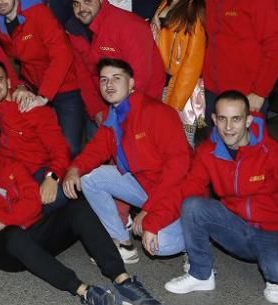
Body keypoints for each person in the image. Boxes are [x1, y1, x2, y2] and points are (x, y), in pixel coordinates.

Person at [0, 121, 165, 305]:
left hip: (32, 232)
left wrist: (0, 223)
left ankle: (122, 279)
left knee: (77, 208)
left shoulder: (12, 167)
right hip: (5, 249)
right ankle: (84, 291)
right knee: (13, 235)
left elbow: (33, 202)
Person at [164, 91, 278, 304]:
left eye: (236, 119)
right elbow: (188, 189)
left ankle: (274, 277)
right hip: (235, 227)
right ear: (214, 120)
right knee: (192, 205)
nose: (228, 127)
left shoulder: (274, 153)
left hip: (274, 232)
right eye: (222, 119)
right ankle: (201, 274)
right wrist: (154, 219)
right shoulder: (207, 152)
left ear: (248, 120)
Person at [63, 59, 192, 264]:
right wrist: (74, 169)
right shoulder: (113, 116)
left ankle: (197, 236)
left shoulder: (157, 113)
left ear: (131, 83)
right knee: (90, 178)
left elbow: (178, 169)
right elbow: (95, 150)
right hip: (145, 186)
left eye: (116, 78)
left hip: (177, 193)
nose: (109, 84)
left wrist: (149, 209)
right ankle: (123, 244)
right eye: (104, 80)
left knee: (160, 244)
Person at [0, 0, 85, 156]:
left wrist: (43, 97)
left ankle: (70, 182)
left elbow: (62, 55)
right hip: (32, 85)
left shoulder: (38, 14)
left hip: (64, 86)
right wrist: (21, 86)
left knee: (70, 148)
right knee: (34, 144)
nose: (0, 1)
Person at [67, 0, 165, 123]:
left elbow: (140, 79)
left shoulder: (128, 26)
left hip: (142, 108)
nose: (82, 9)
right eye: (76, 4)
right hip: (104, 106)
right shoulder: (75, 31)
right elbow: (84, 76)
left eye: (88, 1)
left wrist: (122, 116)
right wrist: (97, 111)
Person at [0, 59, 70, 211]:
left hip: (40, 172)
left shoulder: (30, 107)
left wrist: (52, 177)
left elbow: (60, 148)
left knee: (54, 198)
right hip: (11, 178)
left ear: (8, 82)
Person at [152, 0, 206, 142]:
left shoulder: (196, 5)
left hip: (182, 86)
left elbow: (193, 59)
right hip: (161, 79)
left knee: (182, 142)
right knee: (162, 142)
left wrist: (176, 102)